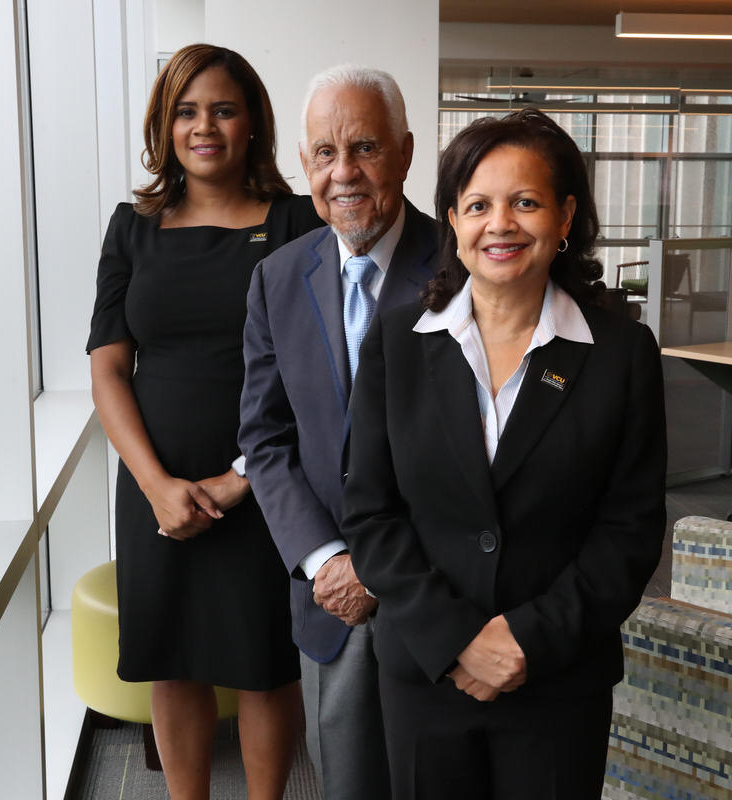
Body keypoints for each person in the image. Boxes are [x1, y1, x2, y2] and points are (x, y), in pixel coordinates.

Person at [341, 108, 667, 800]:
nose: (501, 225)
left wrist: (526, 640)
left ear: (565, 215)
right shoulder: (397, 342)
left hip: (557, 678)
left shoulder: (621, 354)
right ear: (452, 221)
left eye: (526, 203)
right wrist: (459, 640)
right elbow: (371, 514)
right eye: (478, 206)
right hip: (427, 672)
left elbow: (630, 531)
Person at [86, 44, 322, 800]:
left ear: (252, 123)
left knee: (264, 663)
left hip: (267, 481)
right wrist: (157, 486)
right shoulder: (131, 228)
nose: (204, 127)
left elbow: (316, 371)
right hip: (155, 485)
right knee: (173, 660)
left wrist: (239, 481)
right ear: (165, 125)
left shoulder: (298, 223)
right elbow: (107, 369)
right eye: (186, 111)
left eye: (223, 109)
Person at [238, 65, 437, 800]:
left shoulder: (465, 266)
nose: (343, 171)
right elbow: (265, 439)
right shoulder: (278, 278)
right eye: (325, 152)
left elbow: (488, 448)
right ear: (304, 163)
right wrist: (325, 560)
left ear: (406, 152)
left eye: (365, 148)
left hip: (438, 595)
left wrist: (379, 567)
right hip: (328, 600)